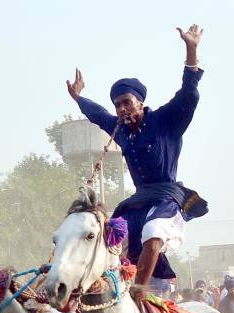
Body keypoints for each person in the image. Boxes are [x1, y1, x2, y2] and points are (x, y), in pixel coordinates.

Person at [67, 24, 206, 288]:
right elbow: (97, 114)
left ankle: (138, 293)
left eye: (126, 102)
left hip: (167, 198)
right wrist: (78, 98)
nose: (121, 109)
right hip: (138, 201)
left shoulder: (166, 120)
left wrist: (191, 49)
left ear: (140, 102)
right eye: (117, 105)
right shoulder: (120, 130)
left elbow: (189, 93)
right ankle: (96, 290)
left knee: (153, 233)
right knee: (108, 238)